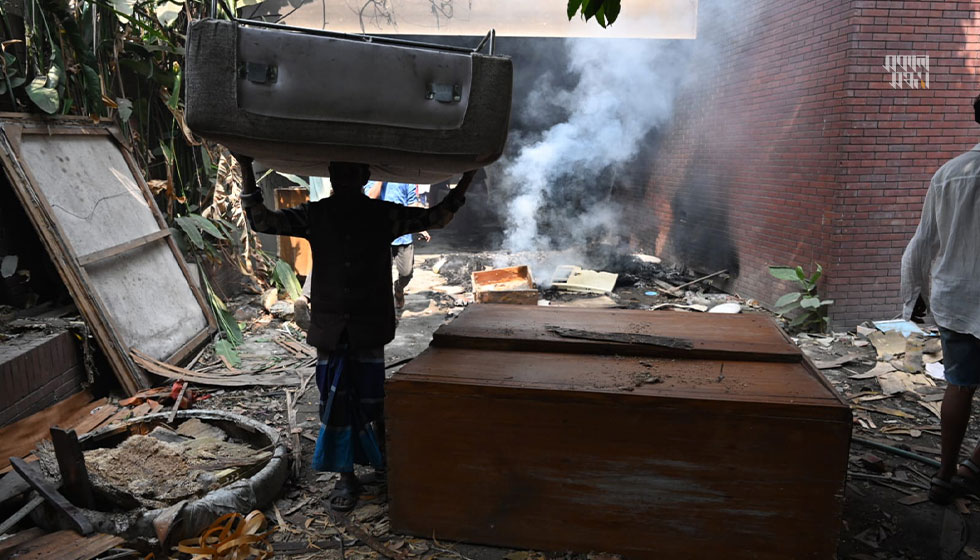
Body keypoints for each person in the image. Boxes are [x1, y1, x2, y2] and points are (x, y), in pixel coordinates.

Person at [234, 155, 477, 511]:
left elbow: (436, 216)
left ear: (364, 176)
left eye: (352, 170)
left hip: (367, 326)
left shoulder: (383, 214)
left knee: (370, 400)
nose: (344, 176)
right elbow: (261, 221)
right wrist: (244, 167)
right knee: (335, 404)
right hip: (332, 329)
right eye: (339, 170)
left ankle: (381, 465)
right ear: (332, 175)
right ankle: (346, 476)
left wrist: (468, 177)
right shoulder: (316, 214)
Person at [901, 94, 980, 505]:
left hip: (957, 300)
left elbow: (921, 242)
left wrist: (912, 299)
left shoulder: (949, 173)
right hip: (961, 299)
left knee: (960, 386)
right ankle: (973, 468)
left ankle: (945, 474)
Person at [364, 181, 430, 308]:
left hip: (403, 235)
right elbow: (371, 197)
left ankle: (399, 288)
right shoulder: (374, 177)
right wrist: (381, 180)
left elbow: (412, 203)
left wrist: (420, 227)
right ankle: (384, 307)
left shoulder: (404, 178)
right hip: (381, 236)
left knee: (406, 273)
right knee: (381, 275)